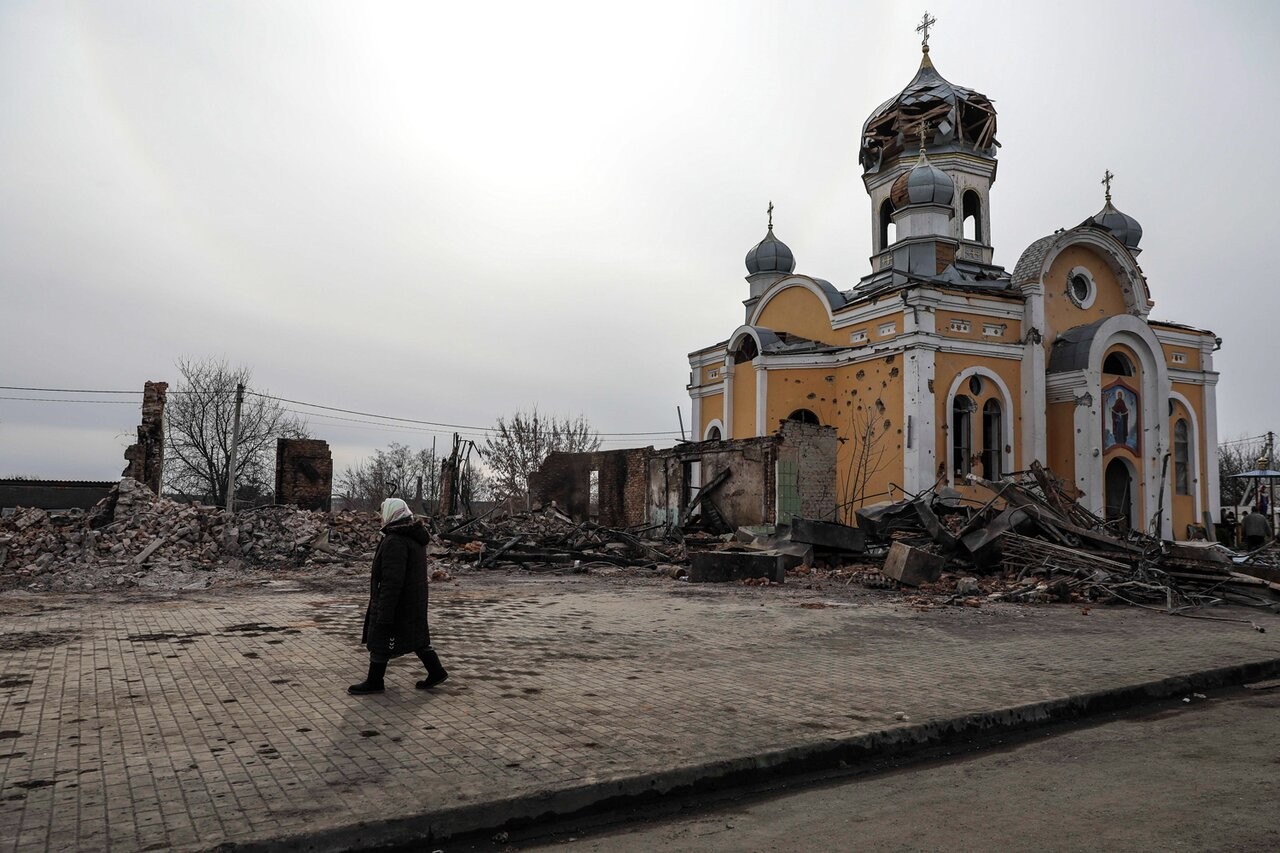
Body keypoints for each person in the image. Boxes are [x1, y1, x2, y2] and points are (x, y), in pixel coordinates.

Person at [348, 497, 449, 695]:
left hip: (398, 600)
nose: (379, 519)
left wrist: (385, 610)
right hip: (413, 598)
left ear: (391, 515)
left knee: (382, 638)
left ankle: (375, 681)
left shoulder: (395, 540)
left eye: (382, 514)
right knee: (417, 637)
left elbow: (392, 580)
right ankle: (436, 671)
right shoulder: (412, 536)